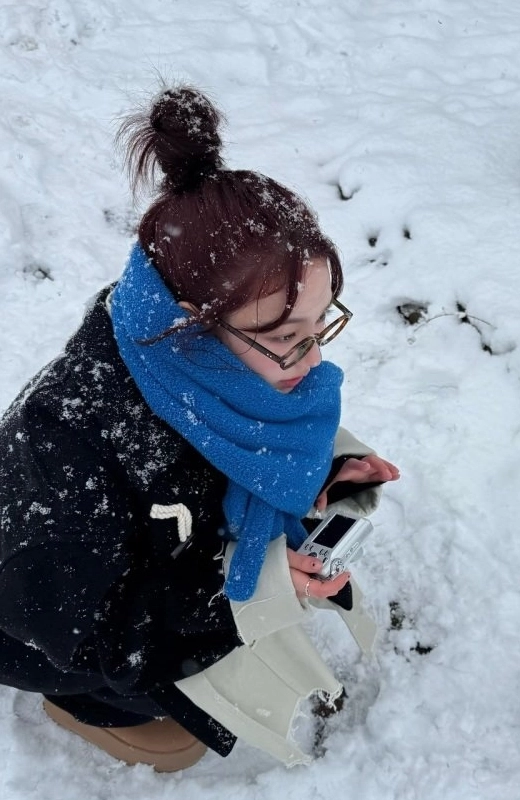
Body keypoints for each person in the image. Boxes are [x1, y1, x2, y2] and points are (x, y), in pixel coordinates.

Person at [0, 85, 399, 772]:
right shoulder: (74, 444)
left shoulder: (201, 369)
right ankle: (90, 709)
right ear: (192, 326)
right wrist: (253, 598)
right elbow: (96, 630)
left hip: (137, 562)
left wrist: (326, 472)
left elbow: (240, 450)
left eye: (320, 326)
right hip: (43, 625)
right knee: (168, 726)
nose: (315, 360)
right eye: (287, 337)